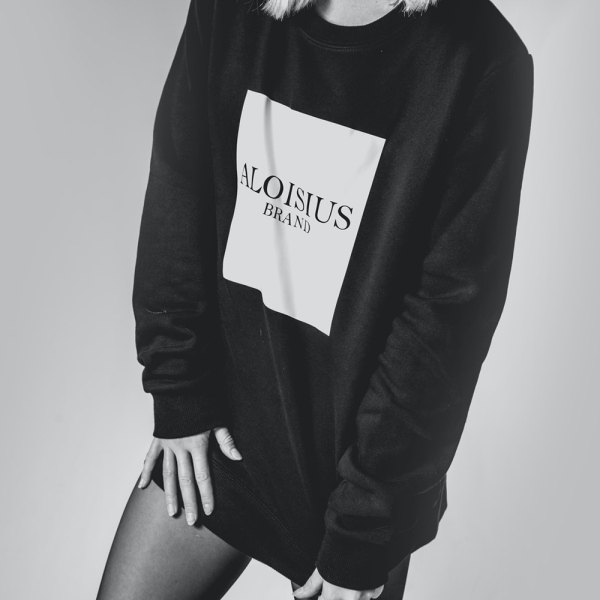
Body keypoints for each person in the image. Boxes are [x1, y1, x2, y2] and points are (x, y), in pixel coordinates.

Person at [96, 0, 534, 598]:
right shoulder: (231, 9)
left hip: (363, 471)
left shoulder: (483, 60)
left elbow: (444, 323)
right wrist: (180, 392)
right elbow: (179, 181)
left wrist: (365, 525)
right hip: (224, 437)